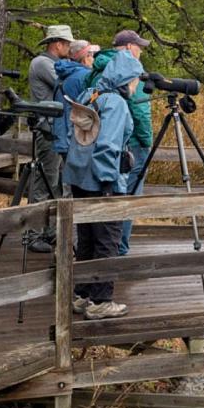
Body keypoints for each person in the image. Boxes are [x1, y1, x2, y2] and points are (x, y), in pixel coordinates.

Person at [63, 48, 143, 320]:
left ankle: (83, 294)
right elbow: (108, 146)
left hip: (79, 179)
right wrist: (109, 183)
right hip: (102, 182)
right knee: (108, 240)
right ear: (126, 79)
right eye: (134, 79)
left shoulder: (90, 95)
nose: (136, 85)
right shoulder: (117, 103)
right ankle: (101, 300)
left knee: (87, 240)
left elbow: (72, 134)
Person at [89, 30, 153, 255]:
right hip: (130, 144)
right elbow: (140, 109)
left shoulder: (100, 68)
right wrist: (147, 142)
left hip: (96, 145)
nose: (141, 51)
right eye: (138, 47)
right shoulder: (128, 72)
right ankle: (119, 247)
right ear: (128, 47)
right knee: (128, 195)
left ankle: (103, 248)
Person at [23, 24, 75, 253]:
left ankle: (49, 231)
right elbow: (67, 86)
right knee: (44, 182)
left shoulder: (52, 64)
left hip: (56, 129)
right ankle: (32, 235)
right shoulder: (43, 63)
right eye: (67, 44)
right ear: (57, 44)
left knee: (55, 182)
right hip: (48, 129)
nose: (70, 47)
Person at [51, 39, 98, 169]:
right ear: (85, 58)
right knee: (79, 183)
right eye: (91, 55)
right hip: (75, 138)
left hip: (60, 135)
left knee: (68, 180)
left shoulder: (62, 75)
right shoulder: (85, 76)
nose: (94, 59)